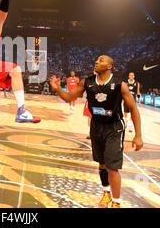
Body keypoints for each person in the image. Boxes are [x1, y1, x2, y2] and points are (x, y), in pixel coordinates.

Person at [50, 55, 143, 208]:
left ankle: (117, 202)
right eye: (96, 60)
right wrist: (58, 89)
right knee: (101, 164)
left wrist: (138, 135)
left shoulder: (120, 84)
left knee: (112, 167)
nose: (96, 62)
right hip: (96, 126)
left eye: (101, 60)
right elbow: (68, 97)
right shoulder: (87, 82)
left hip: (114, 127)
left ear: (109, 66)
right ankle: (106, 193)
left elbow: (133, 108)